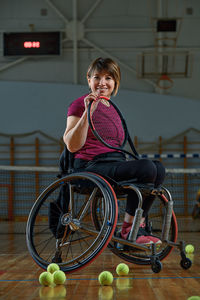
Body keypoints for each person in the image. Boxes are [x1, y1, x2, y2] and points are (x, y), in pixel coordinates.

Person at [63, 57, 166, 245]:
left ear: (115, 82)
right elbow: (72, 145)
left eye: (108, 78)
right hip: (90, 166)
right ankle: (128, 231)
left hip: (113, 163)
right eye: (97, 77)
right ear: (89, 79)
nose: (102, 83)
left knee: (158, 169)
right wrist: (88, 110)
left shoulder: (114, 110)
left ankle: (135, 227)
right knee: (147, 168)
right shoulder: (78, 104)